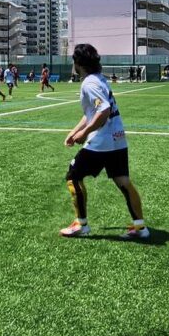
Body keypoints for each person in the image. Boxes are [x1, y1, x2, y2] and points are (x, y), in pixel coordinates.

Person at [60, 43, 148, 240]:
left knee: (73, 175)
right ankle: (140, 228)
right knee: (123, 181)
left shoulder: (89, 83)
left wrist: (84, 133)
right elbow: (92, 112)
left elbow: (103, 110)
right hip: (118, 137)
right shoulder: (99, 79)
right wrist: (75, 131)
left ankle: (81, 224)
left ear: (78, 63)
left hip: (102, 140)